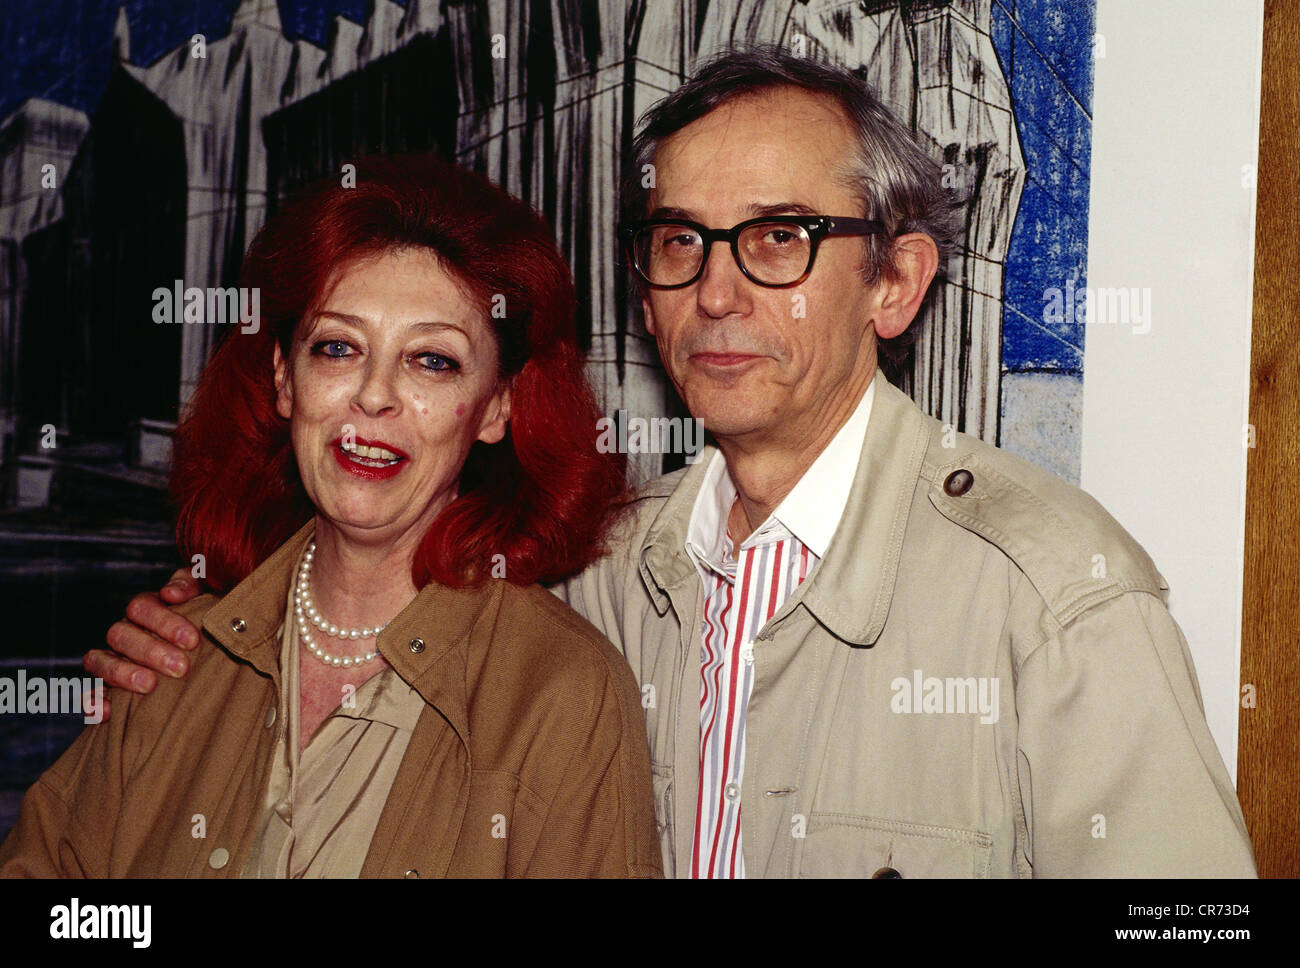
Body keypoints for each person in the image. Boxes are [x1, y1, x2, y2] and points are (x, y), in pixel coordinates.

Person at [85, 49, 1256, 878]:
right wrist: (191, 636)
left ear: (894, 282)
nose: (717, 288)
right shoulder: (597, 570)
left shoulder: (1054, 596)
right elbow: (365, 600)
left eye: (780, 237)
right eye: (678, 239)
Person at [1, 154, 662, 878]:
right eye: (339, 347)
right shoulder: (173, 656)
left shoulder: (563, 694)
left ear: (498, 408)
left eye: (432, 361)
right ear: (285, 379)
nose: (374, 396)